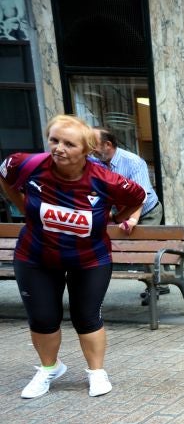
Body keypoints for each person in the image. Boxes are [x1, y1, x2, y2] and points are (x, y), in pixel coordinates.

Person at [0, 114, 146, 398]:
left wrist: (114, 218)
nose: (58, 148)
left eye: (69, 144)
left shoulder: (107, 179)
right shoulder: (26, 164)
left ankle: (96, 372)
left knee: (87, 317)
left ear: (87, 151)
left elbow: (137, 198)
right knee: (42, 318)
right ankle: (48, 368)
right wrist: (21, 203)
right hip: (36, 257)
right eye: (54, 140)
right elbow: (6, 178)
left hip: (89, 259)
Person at [92, 128, 162, 229]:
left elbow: (142, 196)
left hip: (146, 213)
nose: (90, 148)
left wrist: (132, 220)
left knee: (141, 244)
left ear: (108, 145)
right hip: (121, 213)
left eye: (93, 143)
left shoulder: (134, 162)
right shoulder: (95, 161)